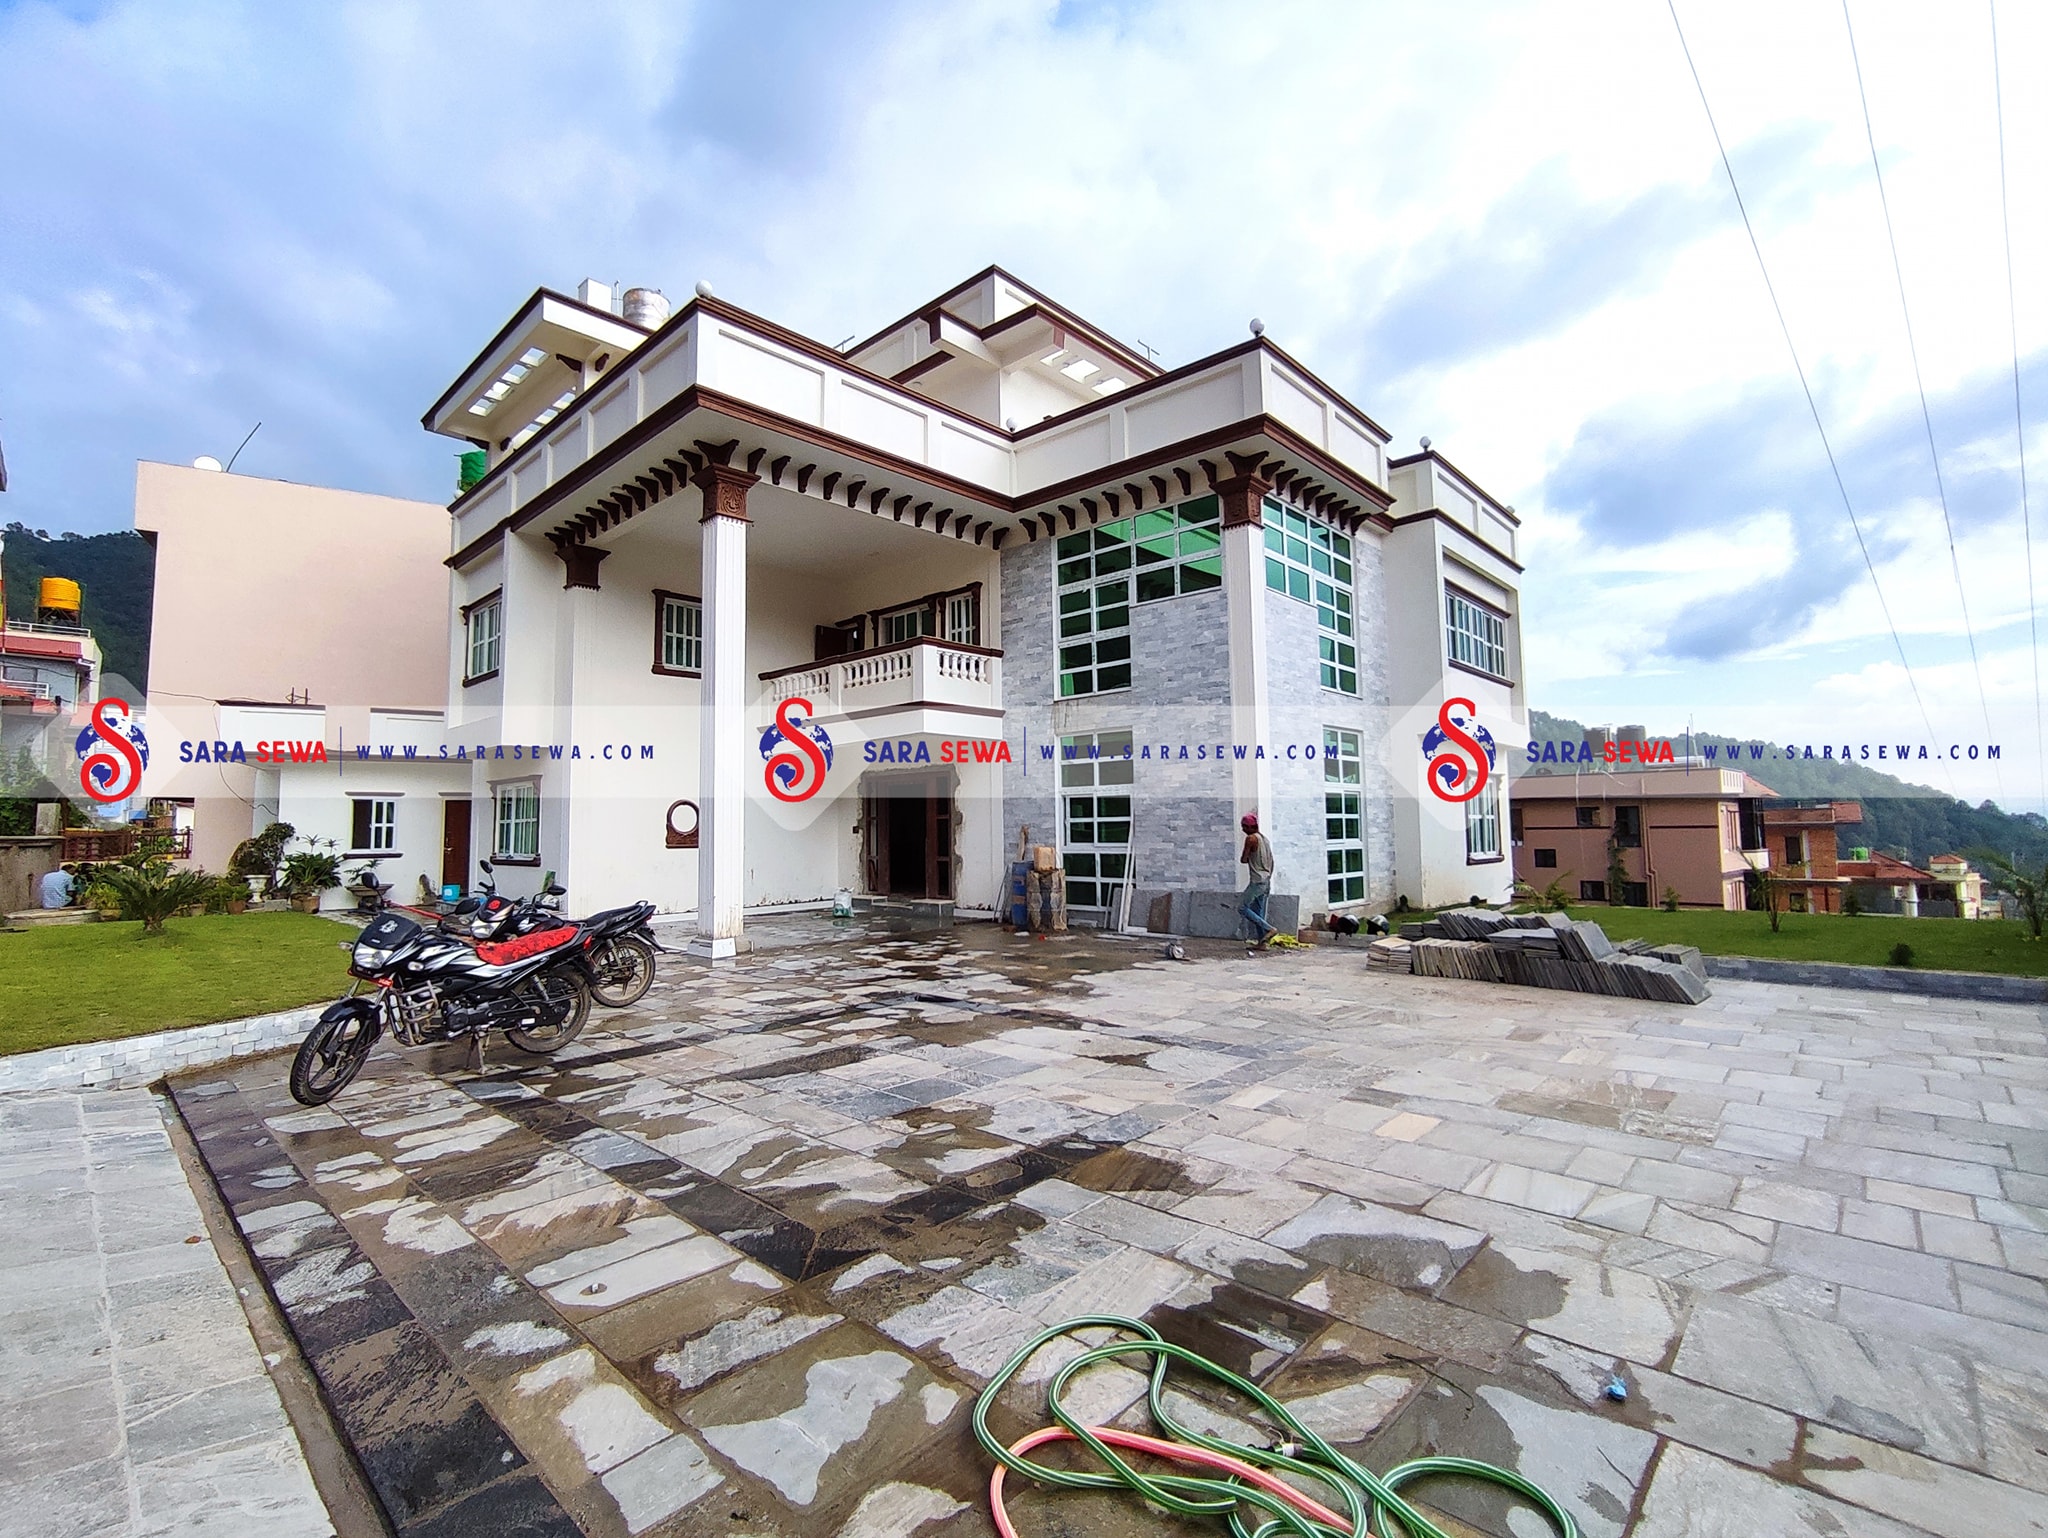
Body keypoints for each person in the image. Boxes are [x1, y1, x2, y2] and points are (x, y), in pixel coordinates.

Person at [1237, 813, 1277, 947]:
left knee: (1242, 908)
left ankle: (1269, 928)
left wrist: (1249, 856)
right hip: (1266, 879)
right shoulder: (1265, 839)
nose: (1243, 829)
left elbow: (1243, 859)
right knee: (1258, 912)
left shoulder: (1251, 839)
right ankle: (1262, 943)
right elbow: (1272, 861)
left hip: (1257, 880)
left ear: (1250, 827)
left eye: (1244, 826)